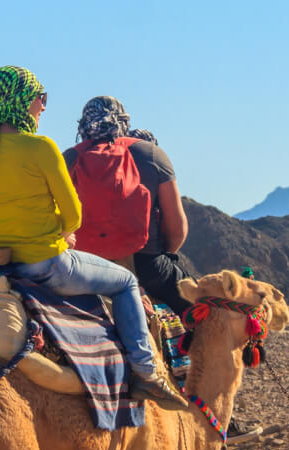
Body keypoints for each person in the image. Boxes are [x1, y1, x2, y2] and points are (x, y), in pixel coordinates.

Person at [0, 66, 185, 409]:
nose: (44, 106)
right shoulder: (41, 148)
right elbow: (73, 215)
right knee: (124, 283)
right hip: (43, 265)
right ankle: (145, 375)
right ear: (23, 102)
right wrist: (62, 234)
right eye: (40, 98)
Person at [61, 96, 194, 312]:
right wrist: (160, 257)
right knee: (206, 311)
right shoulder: (151, 154)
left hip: (80, 267)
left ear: (84, 125)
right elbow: (177, 229)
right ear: (123, 121)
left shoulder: (69, 158)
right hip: (145, 265)